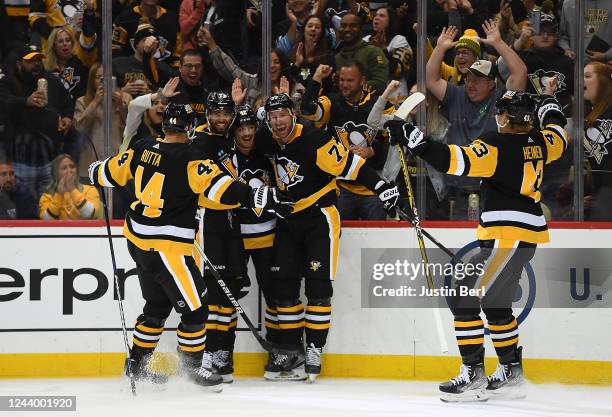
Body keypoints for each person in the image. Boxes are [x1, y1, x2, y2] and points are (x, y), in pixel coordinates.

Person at [88, 102, 292, 390]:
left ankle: (135, 365)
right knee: (196, 312)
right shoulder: (192, 158)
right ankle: (193, 369)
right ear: (187, 128)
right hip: (169, 249)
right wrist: (267, 197)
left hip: (138, 243)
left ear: (164, 126)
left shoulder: (141, 148)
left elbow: (107, 173)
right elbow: (225, 190)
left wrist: (95, 169)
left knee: (156, 307)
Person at [385, 91, 568, 401]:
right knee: (495, 304)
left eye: (502, 112)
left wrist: (410, 135)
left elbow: (452, 160)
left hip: (506, 238)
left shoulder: (496, 146)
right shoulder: (540, 142)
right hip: (525, 236)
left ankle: (473, 374)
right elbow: (558, 134)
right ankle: (510, 371)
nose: (497, 116)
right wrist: (551, 103)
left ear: (509, 118)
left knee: (462, 294)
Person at [255, 93, 400, 382]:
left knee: (318, 289)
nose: (279, 121)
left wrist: (381, 185)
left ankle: (314, 349)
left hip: (319, 218)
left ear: (293, 114)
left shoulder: (314, 138)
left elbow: (350, 164)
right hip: (287, 220)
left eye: (283, 114)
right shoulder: (267, 139)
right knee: (283, 290)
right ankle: (291, 349)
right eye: (274, 117)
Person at [426, 21, 527, 219]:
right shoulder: (456, 94)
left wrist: (498, 43)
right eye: (468, 79)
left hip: (494, 187)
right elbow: (431, 80)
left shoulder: (502, 100)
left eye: (477, 80)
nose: (470, 84)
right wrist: (439, 48)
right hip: (458, 188)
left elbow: (520, 73)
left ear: (491, 84)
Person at [190, 91, 249, 384]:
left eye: (227, 113)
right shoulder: (198, 143)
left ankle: (224, 354)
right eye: (216, 113)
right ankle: (209, 354)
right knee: (215, 292)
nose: (222, 118)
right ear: (207, 115)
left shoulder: (231, 136)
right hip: (209, 220)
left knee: (232, 290)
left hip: (233, 220)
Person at [301, 62, 394, 220]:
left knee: (375, 238)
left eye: (350, 80)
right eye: (342, 80)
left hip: (372, 188)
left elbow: (393, 143)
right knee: (341, 239)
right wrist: (317, 77)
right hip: (341, 187)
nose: (344, 84)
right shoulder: (331, 102)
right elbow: (308, 111)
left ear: (362, 80)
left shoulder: (381, 105)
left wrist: (372, 151)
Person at [0, 44, 74, 219]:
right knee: (25, 209)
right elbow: (3, 102)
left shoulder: (52, 80)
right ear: (19, 64)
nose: (36, 64)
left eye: (39, 60)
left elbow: (68, 101)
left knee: (50, 209)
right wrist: (25, 101)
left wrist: (67, 117)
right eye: (31, 61)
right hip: (20, 163)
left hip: (49, 161)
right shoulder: (8, 82)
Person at [74, 62, 131, 176]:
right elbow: (79, 128)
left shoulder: (126, 98)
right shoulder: (82, 101)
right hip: (90, 160)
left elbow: (133, 128)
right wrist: (95, 102)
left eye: (107, 77)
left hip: (117, 160)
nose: (104, 81)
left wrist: (121, 105)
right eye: (99, 78)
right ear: (92, 80)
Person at [363, 6, 413, 104]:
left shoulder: (399, 40)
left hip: (394, 101)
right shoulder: (365, 41)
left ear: (390, 21)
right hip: (368, 101)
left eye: (381, 16)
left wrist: (382, 49)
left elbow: (398, 71)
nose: (376, 18)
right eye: (376, 15)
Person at [583, 62, 612, 220]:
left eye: (587, 76)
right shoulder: (589, 116)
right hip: (602, 195)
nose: (581, 81)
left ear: (604, 81)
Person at [112, 0, 181, 65]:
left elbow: (178, 53)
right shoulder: (125, 18)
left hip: (163, 74)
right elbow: (115, 49)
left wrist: (173, 73)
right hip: (130, 73)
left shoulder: (171, 19)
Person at [335, 12, 389, 94]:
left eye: (352, 25)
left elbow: (380, 84)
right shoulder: (337, 57)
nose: (347, 29)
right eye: (343, 26)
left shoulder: (373, 52)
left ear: (360, 30)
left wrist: (352, 85)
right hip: (342, 105)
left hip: (369, 104)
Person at [39, 153, 100, 220]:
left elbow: (90, 214)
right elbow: (46, 220)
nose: (69, 171)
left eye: (72, 167)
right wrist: (58, 195)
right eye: (64, 168)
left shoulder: (90, 190)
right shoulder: (47, 196)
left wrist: (73, 190)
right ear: (56, 174)